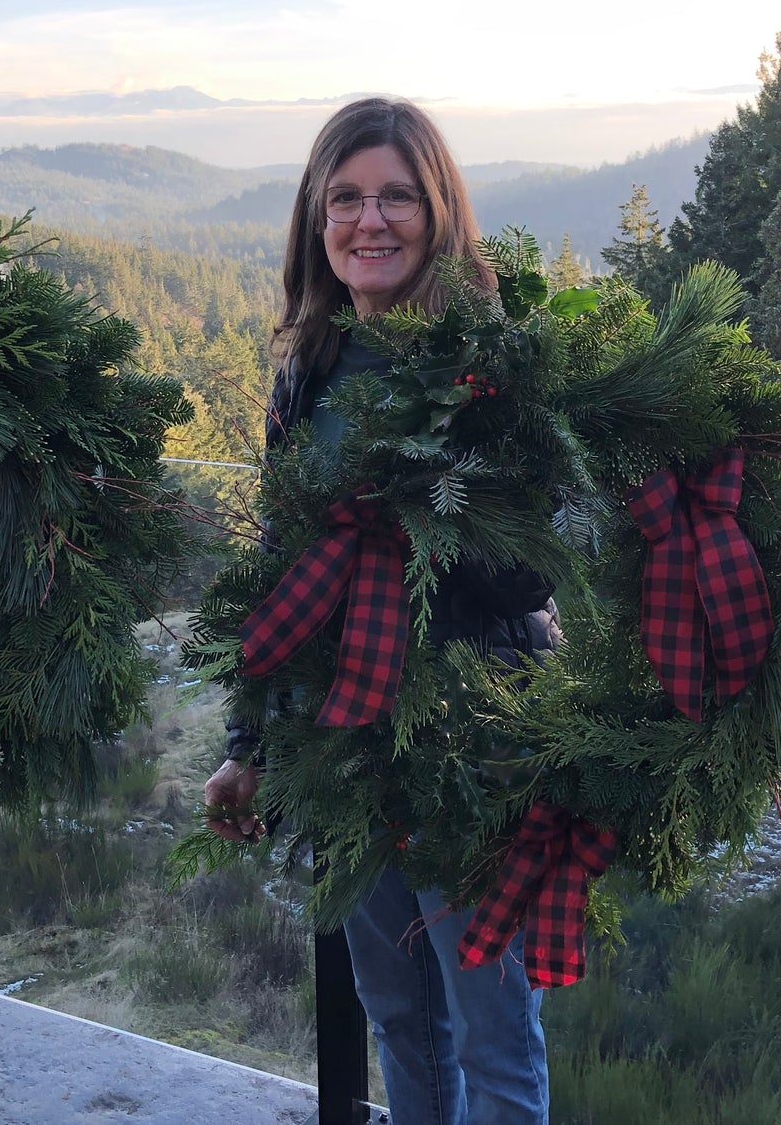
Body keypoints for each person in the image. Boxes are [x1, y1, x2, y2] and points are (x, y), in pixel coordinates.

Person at [202, 98, 558, 1125]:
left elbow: (533, 567)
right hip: (342, 741)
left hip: (472, 735)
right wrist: (248, 740)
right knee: (397, 1013)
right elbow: (278, 568)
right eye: (345, 198)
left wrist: (404, 515)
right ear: (316, 219)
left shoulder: (494, 363)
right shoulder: (305, 371)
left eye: (396, 195)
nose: (370, 219)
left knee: (494, 1031)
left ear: (438, 210)